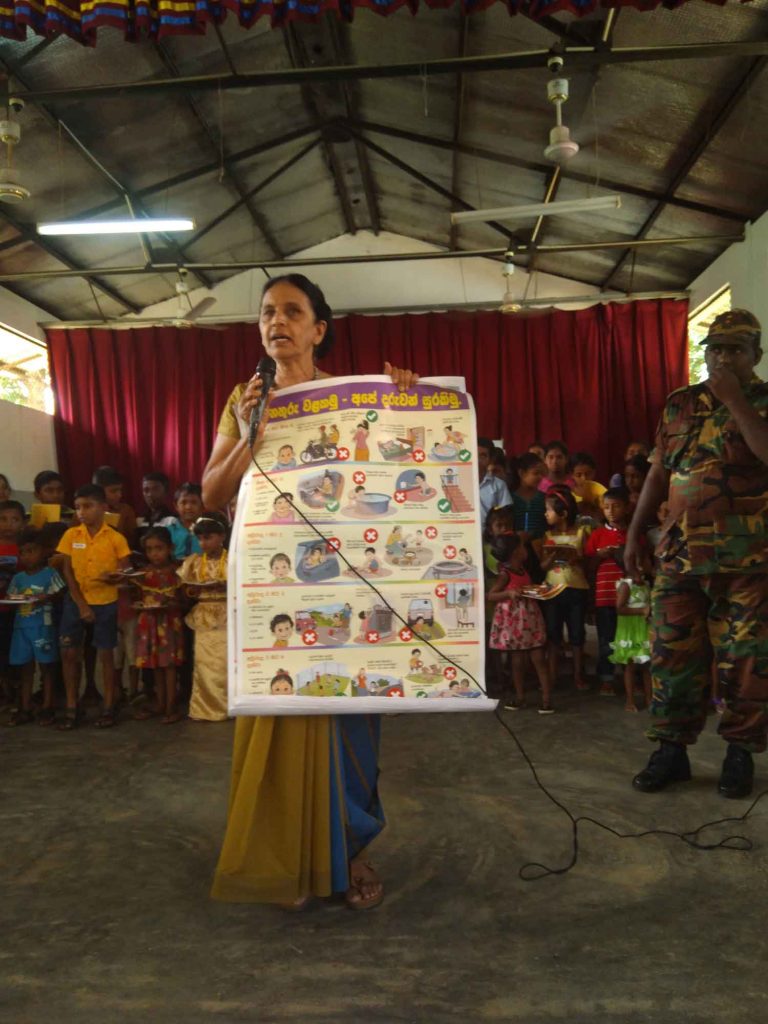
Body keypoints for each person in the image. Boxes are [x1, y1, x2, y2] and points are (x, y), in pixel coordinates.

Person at [202, 272, 417, 910]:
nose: (278, 322)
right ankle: (286, 855)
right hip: (272, 588)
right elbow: (212, 493)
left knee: (351, 718)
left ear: (319, 329)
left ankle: (353, 848)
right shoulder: (243, 398)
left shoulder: (350, 398)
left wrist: (407, 400)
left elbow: (401, 463)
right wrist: (252, 433)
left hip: (346, 582)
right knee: (279, 711)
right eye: (268, 312)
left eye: (292, 312)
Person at [626, 310, 768, 798]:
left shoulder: (763, 400)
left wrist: (735, 401)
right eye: (715, 349)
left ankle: (740, 752)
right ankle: (671, 751)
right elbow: (658, 472)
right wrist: (634, 532)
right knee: (672, 653)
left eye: (735, 350)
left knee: (746, 659)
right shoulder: (679, 404)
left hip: (749, 559)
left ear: (756, 355)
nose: (722, 358)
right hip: (680, 553)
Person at [56, 484, 131, 729]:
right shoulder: (71, 535)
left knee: (106, 654)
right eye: (78, 507)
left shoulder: (115, 537)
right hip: (76, 600)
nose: (81, 512)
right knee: (69, 653)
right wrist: (81, 605)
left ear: (103, 507)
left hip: (106, 601)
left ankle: (108, 705)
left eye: (88, 506)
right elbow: (68, 571)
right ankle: (71, 705)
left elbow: (126, 569)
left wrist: (117, 576)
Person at [5, 528, 65, 726]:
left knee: (47, 666)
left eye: (32, 551)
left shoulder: (50, 574)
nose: (27, 556)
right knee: (25, 667)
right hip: (22, 627)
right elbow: (11, 597)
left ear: (43, 551)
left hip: (43, 626)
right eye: (23, 552)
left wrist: (45, 597)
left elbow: (59, 593)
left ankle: (48, 706)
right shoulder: (18, 578)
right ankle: (25, 706)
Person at [487, 533, 553, 714]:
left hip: (530, 621)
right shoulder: (504, 574)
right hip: (515, 624)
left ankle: (546, 699)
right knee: (517, 661)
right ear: (515, 552)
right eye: (523, 547)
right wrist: (509, 593)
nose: (526, 550)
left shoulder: (523, 569)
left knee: (539, 658)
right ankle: (520, 696)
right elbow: (491, 595)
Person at [178, 516, 229, 722]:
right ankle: (204, 707)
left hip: (228, 614)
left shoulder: (233, 560)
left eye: (208, 537)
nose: (203, 543)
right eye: (199, 538)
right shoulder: (194, 562)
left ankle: (228, 705)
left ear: (222, 536)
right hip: (204, 615)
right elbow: (185, 589)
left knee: (225, 662)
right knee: (203, 661)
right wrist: (192, 589)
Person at [132, 526, 185, 725]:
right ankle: (161, 703)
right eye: (150, 549)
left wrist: (171, 604)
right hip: (149, 622)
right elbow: (138, 597)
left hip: (169, 622)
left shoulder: (177, 572)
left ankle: (171, 706)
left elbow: (184, 600)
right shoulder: (143, 573)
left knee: (169, 665)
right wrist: (139, 605)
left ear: (170, 548)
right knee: (156, 665)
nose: (154, 554)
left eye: (159, 548)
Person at [540, 487, 590, 691]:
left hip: (576, 588)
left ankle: (578, 675)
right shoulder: (547, 535)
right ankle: (552, 676)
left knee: (577, 634)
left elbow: (587, 562)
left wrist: (577, 558)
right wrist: (552, 555)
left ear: (563, 513)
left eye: (549, 510)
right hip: (552, 589)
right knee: (553, 634)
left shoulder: (581, 533)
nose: (546, 514)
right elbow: (543, 566)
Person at [584, 487, 632, 696]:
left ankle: (633, 677)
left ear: (626, 507)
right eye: (606, 507)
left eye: (616, 506)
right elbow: (588, 567)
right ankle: (606, 678)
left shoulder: (632, 534)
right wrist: (599, 556)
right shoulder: (597, 535)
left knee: (631, 638)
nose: (611, 511)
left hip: (630, 598)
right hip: (604, 596)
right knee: (606, 640)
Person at [610, 571, 652, 713]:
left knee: (647, 664)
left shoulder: (646, 584)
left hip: (644, 627)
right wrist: (642, 610)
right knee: (630, 665)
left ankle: (649, 699)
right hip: (630, 629)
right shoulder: (626, 585)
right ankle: (630, 700)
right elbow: (619, 608)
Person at [0, 499, 24, 708]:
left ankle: (18, 691)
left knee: (16, 651)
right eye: (3, 519)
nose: (9, 524)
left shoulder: (25, 549)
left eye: (15, 520)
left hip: (19, 609)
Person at [92, 466, 138, 545]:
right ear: (98, 491)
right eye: (113, 491)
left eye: (120, 490)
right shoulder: (83, 511)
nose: (119, 495)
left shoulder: (125, 510)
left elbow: (132, 541)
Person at [159, 482, 204, 560]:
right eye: (183, 502)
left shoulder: (208, 530)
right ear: (176, 506)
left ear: (202, 505)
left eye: (194, 502)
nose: (188, 507)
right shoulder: (168, 531)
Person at [509, 453, 546, 540]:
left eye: (542, 474)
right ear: (521, 473)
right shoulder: (510, 498)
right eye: (536, 473)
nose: (540, 477)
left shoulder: (544, 498)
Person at [478, 437, 512, 531]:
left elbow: (505, 515)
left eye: (483, 456)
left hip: (490, 536)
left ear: (490, 459)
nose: (478, 460)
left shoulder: (499, 485)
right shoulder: (460, 483)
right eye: (474, 455)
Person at [571, 452, 607, 517]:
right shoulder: (568, 492)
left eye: (587, 474)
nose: (584, 478)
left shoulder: (600, 490)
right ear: (571, 475)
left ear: (594, 473)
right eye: (578, 475)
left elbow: (606, 514)